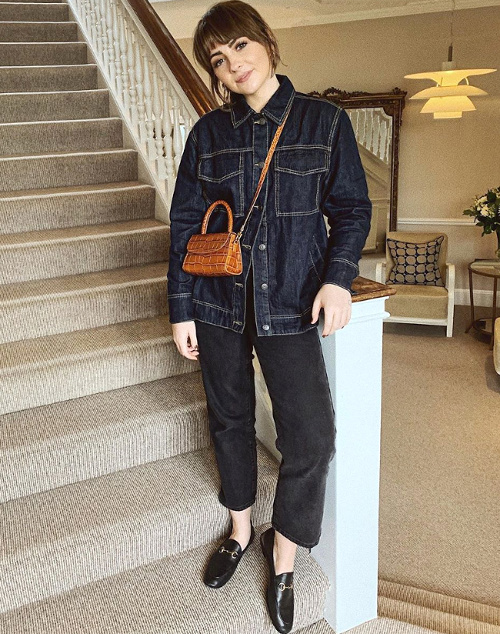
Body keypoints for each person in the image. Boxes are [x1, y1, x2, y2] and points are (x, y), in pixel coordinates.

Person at [167, 2, 372, 632]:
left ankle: (282, 554)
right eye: (218, 59)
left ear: (267, 43)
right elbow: (185, 225)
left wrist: (338, 279)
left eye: (239, 47)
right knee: (229, 417)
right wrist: (181, 309)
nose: (233, 65)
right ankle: (238, 529)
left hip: (291, 301)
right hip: (217, 303)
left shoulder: (324, 122)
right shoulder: (207, 134)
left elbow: (352, 210)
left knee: (312, 436)